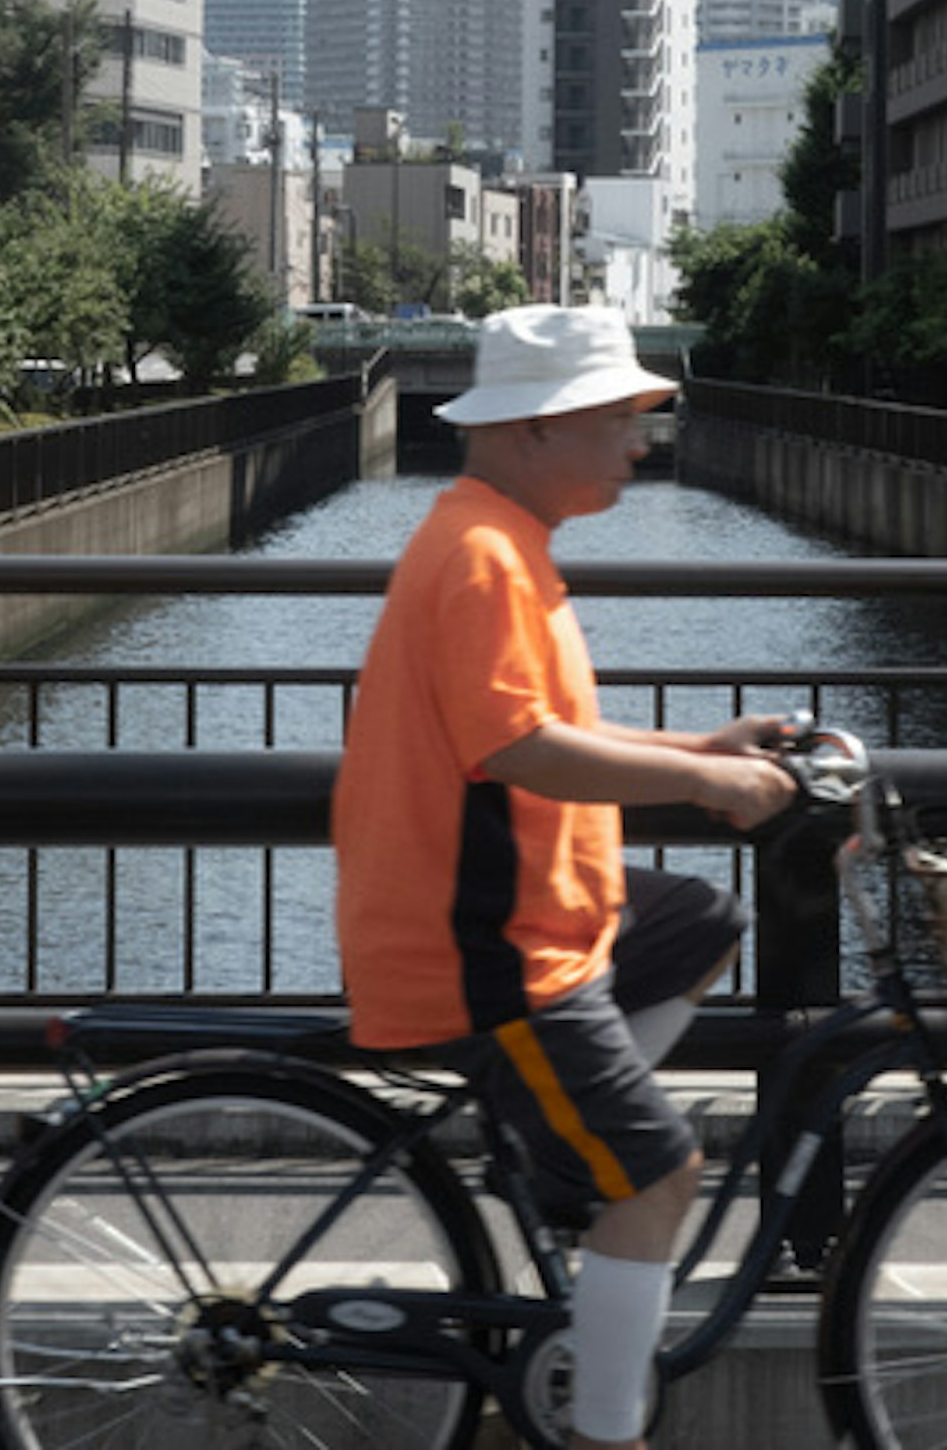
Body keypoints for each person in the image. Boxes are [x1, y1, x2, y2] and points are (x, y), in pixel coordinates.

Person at [332, 304, 798, 1450]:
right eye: (622, 416)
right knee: (660, 1175)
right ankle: (604, 1433)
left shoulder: (500, 536)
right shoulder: (484, 557)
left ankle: (555, 1158)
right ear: (540, 427)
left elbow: (542, 727)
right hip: (490, 947)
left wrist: (699, 750)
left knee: (704, 920)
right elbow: (516, 751)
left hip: (545, 912)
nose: (642, 440)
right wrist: (704, 791)